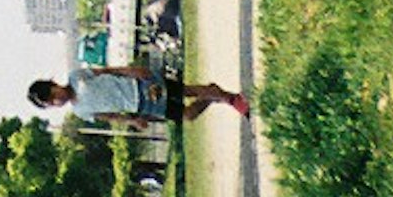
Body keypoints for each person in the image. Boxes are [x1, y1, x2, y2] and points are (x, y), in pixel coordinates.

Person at [31, 65, 250, 123]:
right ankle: (213, 93)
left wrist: (135, 71)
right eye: (51, 103)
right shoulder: (80, 111)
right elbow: (110, 117)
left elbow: (109, 71)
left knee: (186, 90)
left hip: (140, 86)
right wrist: (133, 121)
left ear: (53, 84)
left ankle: (231, 99)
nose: (56, 100)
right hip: (140, 107)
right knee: (187, 115)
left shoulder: (76, 77)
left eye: (52, 95)